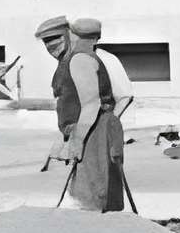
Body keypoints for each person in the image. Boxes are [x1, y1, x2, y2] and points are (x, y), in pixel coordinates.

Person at [40, 15, 125, 212]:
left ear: (70, 35)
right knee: (93, 188)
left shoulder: (79, 60)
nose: (50, 45)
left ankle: (99, 232)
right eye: (46, 41)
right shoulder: (71, 60)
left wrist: (77, 141)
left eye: (56, 38)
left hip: (94, 129)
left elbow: (91, 105)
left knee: (94, 192)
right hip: (90, 128)